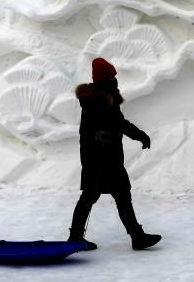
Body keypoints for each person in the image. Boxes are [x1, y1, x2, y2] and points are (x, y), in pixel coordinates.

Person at [67, 57, 162, 251]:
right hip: (98, 160)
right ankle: (76, 237)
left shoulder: (104, 97)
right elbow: (112, 125)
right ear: (104, 78)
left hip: (109, 158)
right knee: (90, 197)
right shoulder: (97, 100)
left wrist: (138, 135)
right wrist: (140, 135)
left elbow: (117, 122)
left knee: (121, 195)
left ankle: (137, 236)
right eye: (111, 76)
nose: (114, 79)